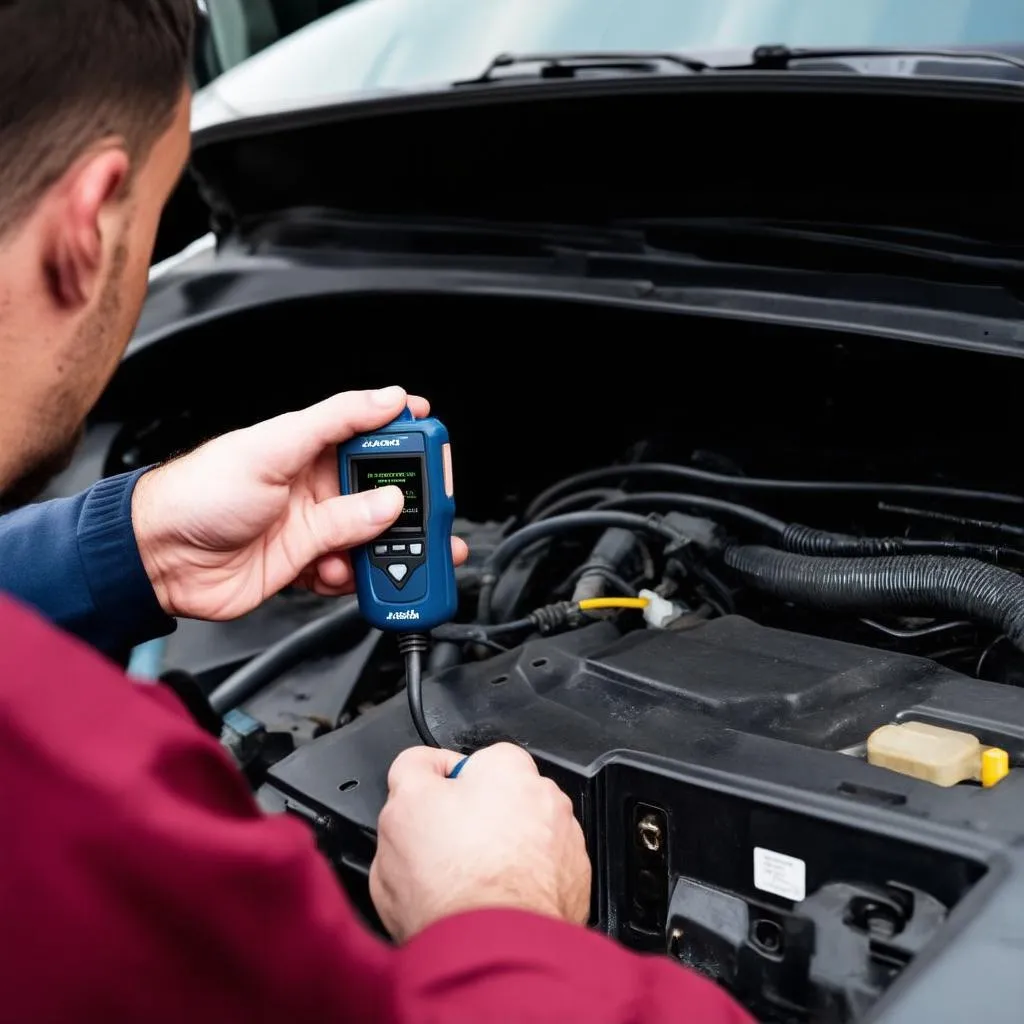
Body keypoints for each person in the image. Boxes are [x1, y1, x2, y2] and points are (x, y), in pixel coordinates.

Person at [0, 4, 754, 1022]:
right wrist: (504, 921)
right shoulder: (79, 802)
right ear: (89, 227)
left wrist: (122, 545)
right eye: (158, 223)